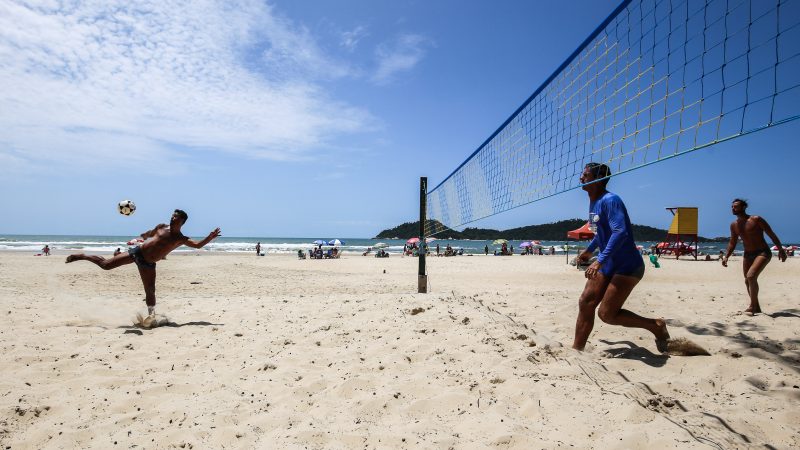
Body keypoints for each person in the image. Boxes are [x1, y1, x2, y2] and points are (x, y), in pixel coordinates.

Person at [573, 163, 669, 352]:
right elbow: (600, 235)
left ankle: (655, 326)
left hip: (628, 265)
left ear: (598, 179)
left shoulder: (611, 200)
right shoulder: (593, 202)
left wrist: (599, 261)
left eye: (585, 175)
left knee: (607, 314)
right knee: (585, 302)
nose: (581, 178)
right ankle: (577, 351)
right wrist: (589, 251)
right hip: (608, 262)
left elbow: (620, 232)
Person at [65, 209, 221, 317]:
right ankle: (82, 256)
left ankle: (151, 316)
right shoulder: (161, 227)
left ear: (182, 221)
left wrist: (210, 237)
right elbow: (150, 233)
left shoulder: (181, 239)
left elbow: (198, 246)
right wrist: (145, 234)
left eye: (176, 217)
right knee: (106, 265)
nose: (172, 218)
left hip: (148, 263)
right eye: (172, 216)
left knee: (150, 291)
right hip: (137, 252)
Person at [722, 198, 786, 315]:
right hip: (747, 254)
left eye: (735, 206)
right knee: (747, 280)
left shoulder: (756, 219)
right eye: (732, 207)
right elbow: (732, 242)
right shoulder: (734, 225)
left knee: (751, 276)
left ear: (744, 207)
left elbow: (771, 234)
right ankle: (756, 307)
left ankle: (752, 306)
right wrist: (726, 256)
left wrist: (781, 249)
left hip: (762, 252)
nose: (732, 208)